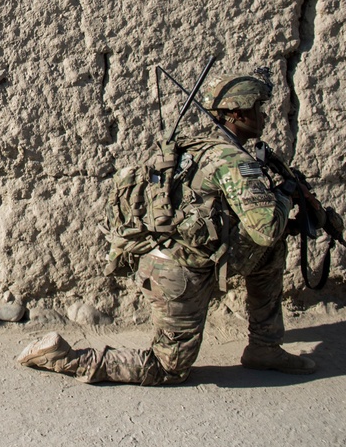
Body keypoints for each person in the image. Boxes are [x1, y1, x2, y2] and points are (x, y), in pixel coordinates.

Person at [18, 71, 322, 384]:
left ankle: (264, 347)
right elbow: (267, 228)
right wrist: (285, 194)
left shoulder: (197, 148)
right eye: (258, 108)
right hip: (177, 273)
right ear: (237, 112)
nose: (264, 116)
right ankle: (64, 357)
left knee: (271, 252)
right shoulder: (233, 161)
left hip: (180, 257)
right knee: (169, 369)